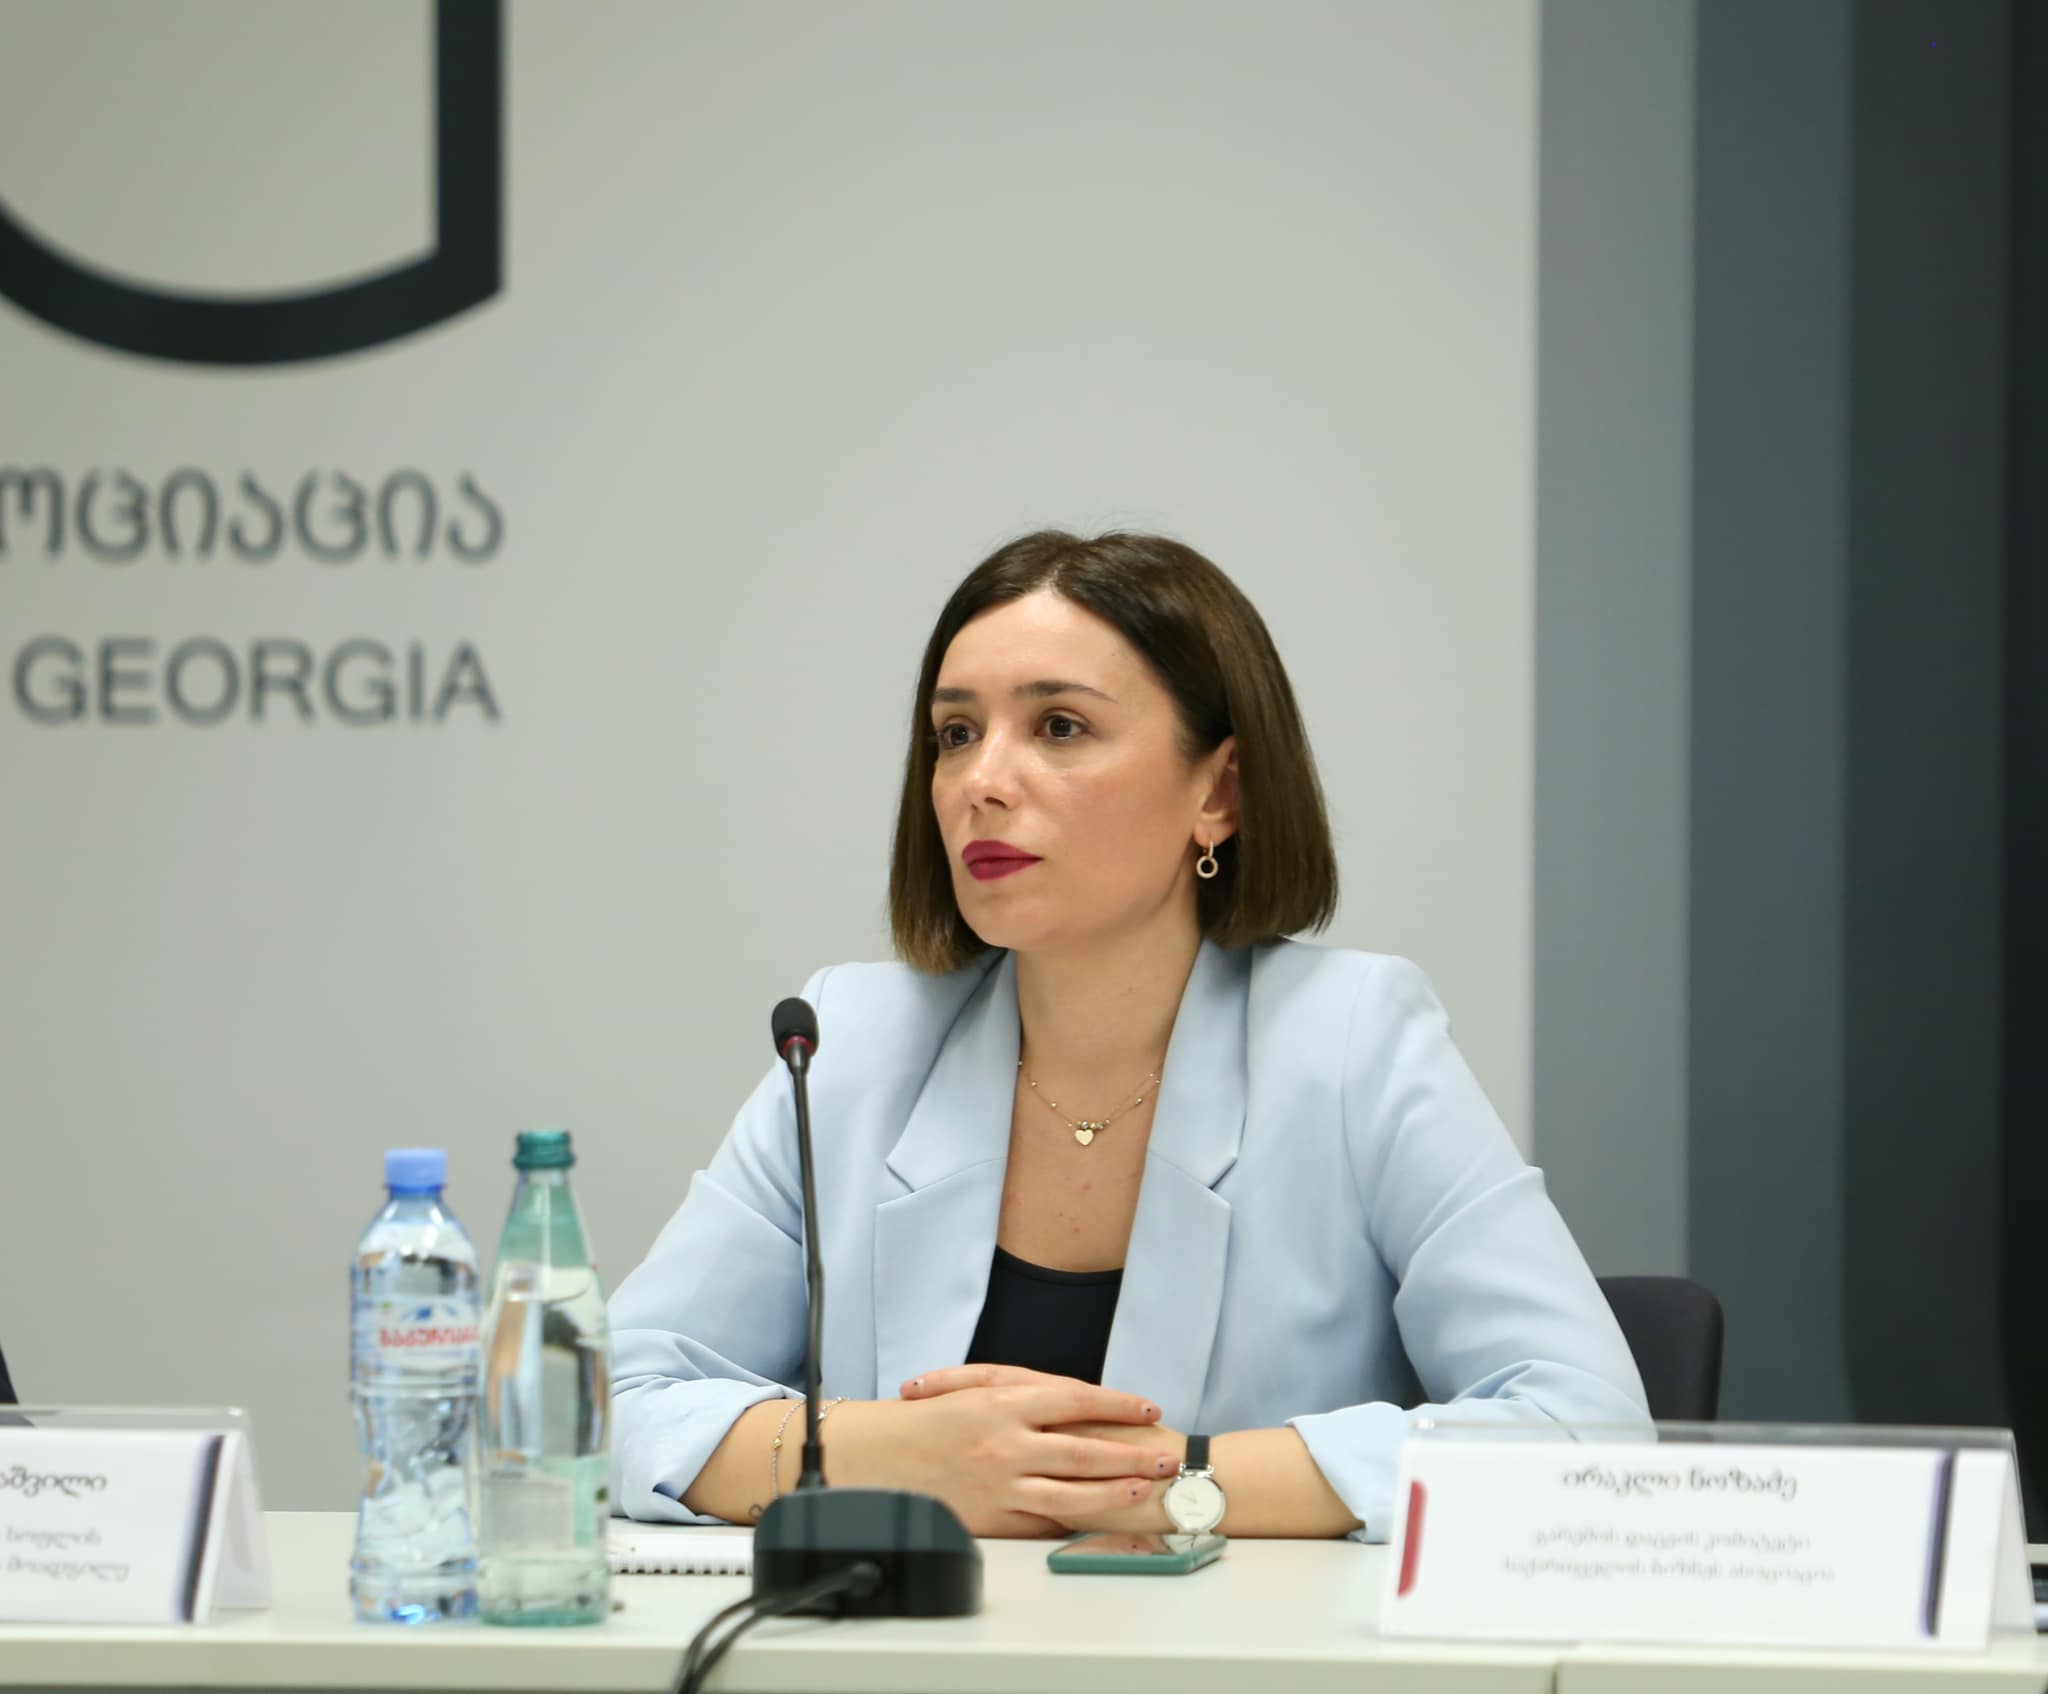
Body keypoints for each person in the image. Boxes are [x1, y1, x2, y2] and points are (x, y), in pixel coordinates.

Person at [609, 529, 1649, 1541]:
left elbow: (1586, 1431)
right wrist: (892, 1457)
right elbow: (599, 1399)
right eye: (955, 733)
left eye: (1059, 726)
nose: (981, 781)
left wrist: (1164, 1485)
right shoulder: (848, 1043)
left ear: (1218, 791)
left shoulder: (1351, 1042)